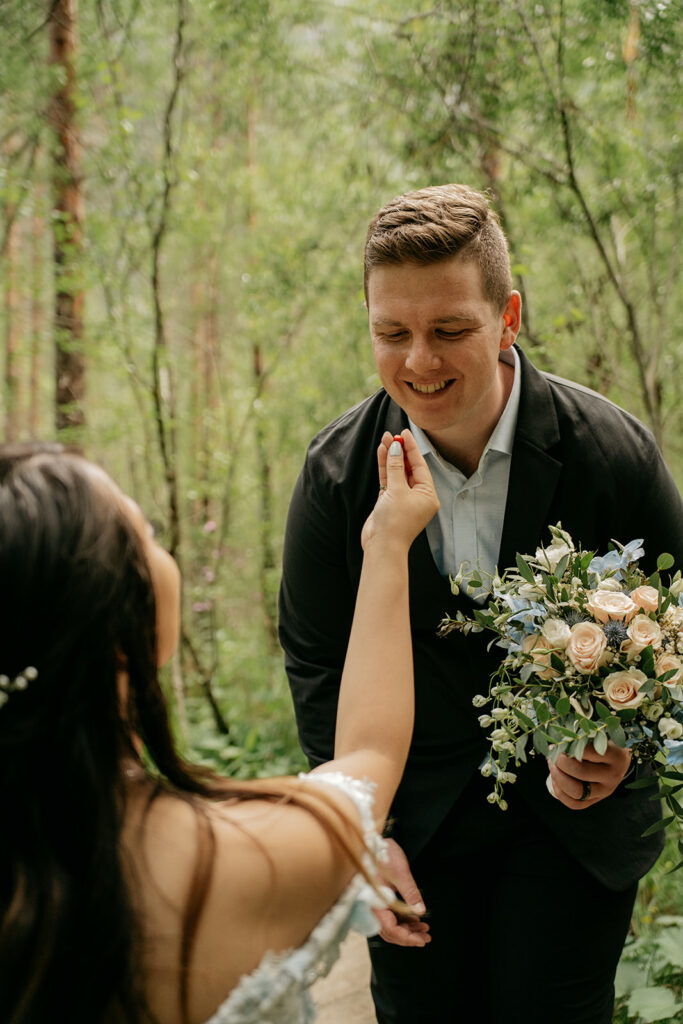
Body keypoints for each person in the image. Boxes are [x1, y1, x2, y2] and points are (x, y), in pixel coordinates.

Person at [279, 183, 683, 1024]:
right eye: (391, 334)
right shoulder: (333, 478)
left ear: (508, 316)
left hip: (573, 834)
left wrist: (621, 753)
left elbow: (675, 634)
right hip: (413, 835)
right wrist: (364, 831)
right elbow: (316, 662)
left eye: (449, 330)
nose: (418, 362)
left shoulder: (610, 453)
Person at [0, 435, 438, 1024]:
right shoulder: (246, 857)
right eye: (145, 533)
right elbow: (370, 751)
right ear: (119, 625)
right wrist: (388, 543)